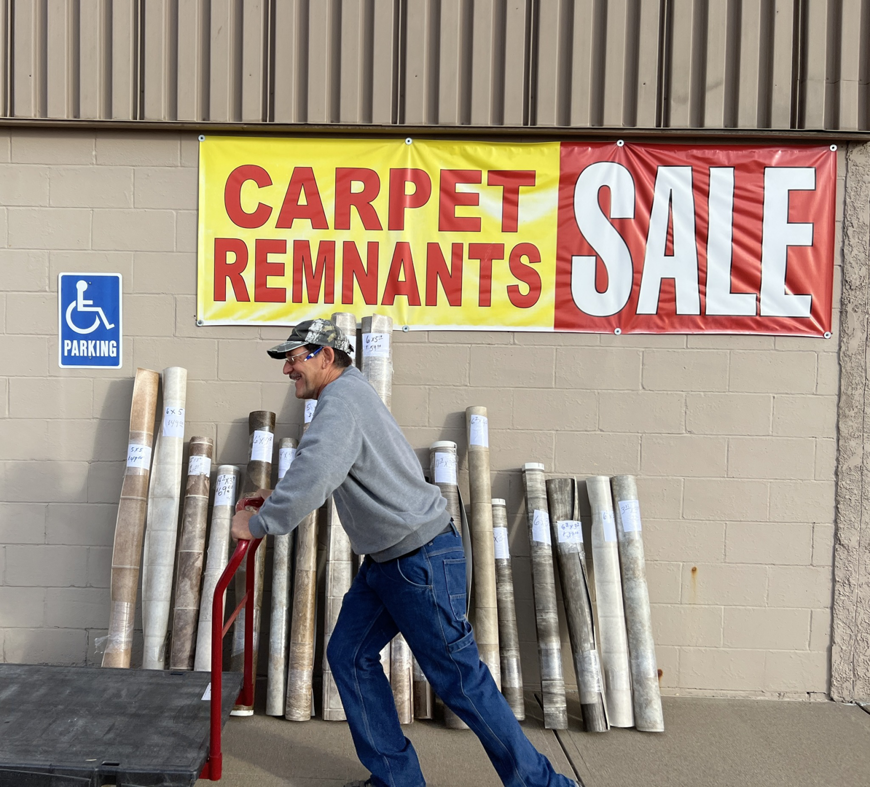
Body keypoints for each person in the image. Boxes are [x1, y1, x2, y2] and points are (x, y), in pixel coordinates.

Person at [231, 318, 578, 787]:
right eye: (287, 359)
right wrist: (275, 496)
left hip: (419, 560)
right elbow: (330, 469)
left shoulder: (340, 404)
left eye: (295, 358)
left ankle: (545, 785)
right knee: (349, 655)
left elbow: (315, 472)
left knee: (461, 682)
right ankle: (397, 780)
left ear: (326, 356)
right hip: (391, 561)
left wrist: (256, 524)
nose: (288, 368)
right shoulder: (348, 395)